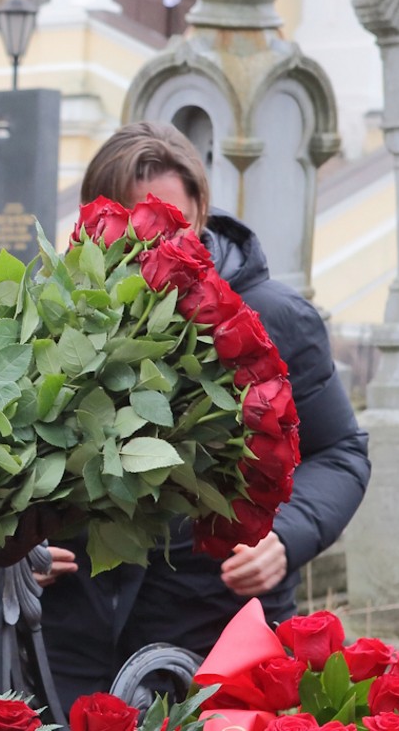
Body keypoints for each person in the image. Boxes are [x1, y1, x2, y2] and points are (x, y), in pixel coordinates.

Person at [37, 121, 371, 713]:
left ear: (201, 217)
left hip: (215, 628)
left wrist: (283, 536)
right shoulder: (51, 317)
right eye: (140, 225)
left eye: (179, 226)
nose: (162, 245)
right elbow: (18, 457)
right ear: (98, 224)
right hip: (75, 639)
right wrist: (20, 550)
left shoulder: (273, 318)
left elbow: (340, 453)